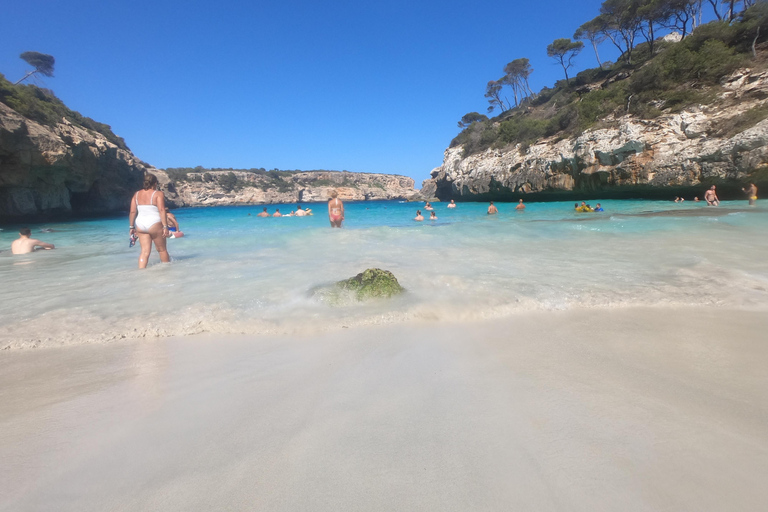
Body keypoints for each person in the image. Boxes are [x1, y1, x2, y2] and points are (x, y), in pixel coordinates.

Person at [129, 173, 170, 269]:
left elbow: (132, 211)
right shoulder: (158, 194)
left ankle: (141, 273)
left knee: (144, 252)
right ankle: (168, 272)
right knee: (162, 250)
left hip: (140, 223)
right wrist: (165, 226)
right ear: (155, 183)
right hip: (154, 223)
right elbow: (161, 210)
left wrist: (131, 227)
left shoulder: (137, 194)